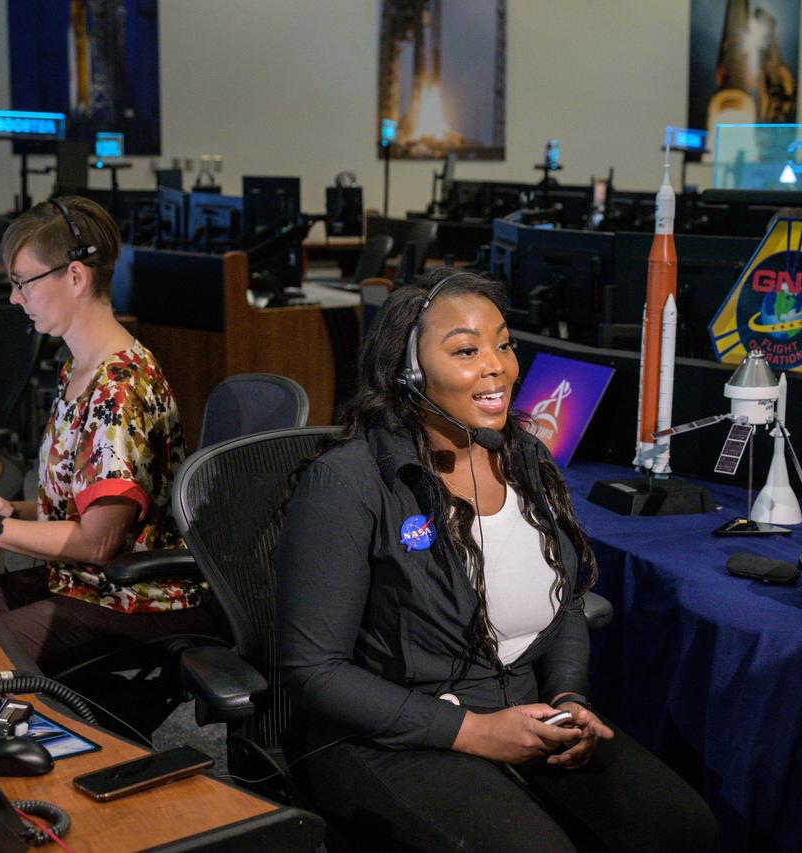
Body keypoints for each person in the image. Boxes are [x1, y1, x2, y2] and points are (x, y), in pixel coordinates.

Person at [276, 269, 717, 851]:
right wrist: (475, 732)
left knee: (683, 829)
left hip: (522, 712)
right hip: (385, 736)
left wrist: (568, 699)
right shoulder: (350, 482)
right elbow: (314, 669)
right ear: (409, 373)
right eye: (466, 350)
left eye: (504, 344)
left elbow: (566, 603)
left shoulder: (527, 456)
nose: (498, 366)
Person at [0, 197, 218, 678]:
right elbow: (85, 507)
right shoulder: (79, 370)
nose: (15, 299)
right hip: (87, 581)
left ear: (75, 277)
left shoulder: (118, 391)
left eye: (22, 283)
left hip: (132, 598)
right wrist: (8, 511)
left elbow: (97, 542)